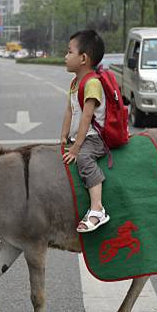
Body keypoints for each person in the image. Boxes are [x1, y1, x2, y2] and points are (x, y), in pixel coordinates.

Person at [60, 29, 109, 233]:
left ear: (83, 58)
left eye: (69, 52)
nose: (65, 56)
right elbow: (70, 111)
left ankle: (97, 209)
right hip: (79, 136)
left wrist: (76, 148)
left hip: (94, 139)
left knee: (84, 159)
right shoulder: (75, 83)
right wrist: (64, 136)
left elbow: (87, 117)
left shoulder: (92, 83)